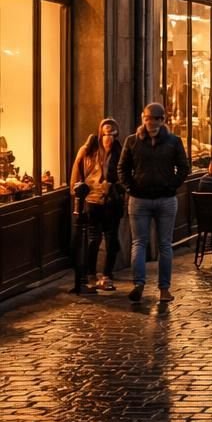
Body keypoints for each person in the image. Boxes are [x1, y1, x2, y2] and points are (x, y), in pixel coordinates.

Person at [119, 103, 191, 302]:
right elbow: (122, 168)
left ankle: (164, 289)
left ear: (162, 120)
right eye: (148, 118)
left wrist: (171, 186)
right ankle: (139, 284)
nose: (151, 123)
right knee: (139, 243)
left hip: (165, 199)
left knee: (164, 245)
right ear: (143, 119)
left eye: (156, 119)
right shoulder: (132, 141)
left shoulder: (173, 141)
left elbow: (183, 167)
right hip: (139, 199)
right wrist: (131, 188)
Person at [69, 119, 123, 294]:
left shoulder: (119, 151)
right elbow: (77, 176)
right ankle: (90, 274)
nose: (109, 137)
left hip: (112, 201)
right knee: (93, 238)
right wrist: (78, 193)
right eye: (106, 133)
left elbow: (126, 176)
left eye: (113, 134)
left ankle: (107, 275)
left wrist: (115, 187)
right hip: (92, 200)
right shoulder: (88, 151)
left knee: (112, 239)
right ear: (100, 134)